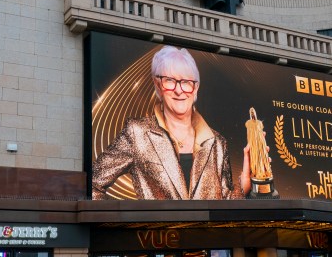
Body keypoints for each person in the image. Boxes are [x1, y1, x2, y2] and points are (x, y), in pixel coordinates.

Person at [91, 45, 255, 200]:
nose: (179, 90)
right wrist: (125, 222)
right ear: (158, 84)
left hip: (206, 231)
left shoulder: (217, 143)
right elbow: (92, 184)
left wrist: (245, 182)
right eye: (170, 80)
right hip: (159, 231)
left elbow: (225, 204)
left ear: (195, 87)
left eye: (186, 82)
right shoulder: (137, 133)